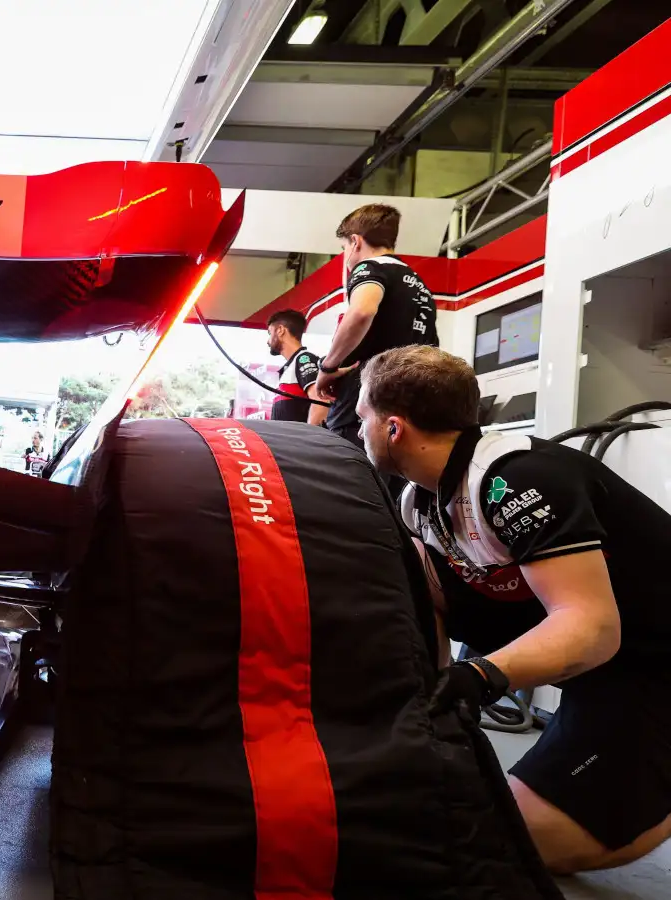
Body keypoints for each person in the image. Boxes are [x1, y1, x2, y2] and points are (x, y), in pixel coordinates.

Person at [356, 345, 671, 874]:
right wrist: (433, 699)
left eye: (362, 417)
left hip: (653, 665)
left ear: (393, 429)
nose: (358, 429)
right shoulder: (421, 501)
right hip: (601, 674)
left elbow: (591, 626)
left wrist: (480, 675)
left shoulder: (517, 480)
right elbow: (432, 603)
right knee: (411, 564)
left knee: (516, 840)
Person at [311, 204, 438, 446]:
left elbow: (362, 310)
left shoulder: (369, 268)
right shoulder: (417, 284)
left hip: (363, 411)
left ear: (356, 242)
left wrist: (327, 367)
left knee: (353, 480)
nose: (345, 254)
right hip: (406, 411)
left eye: (344, 247)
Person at [264, 309, 326, 425]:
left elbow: (321, 401)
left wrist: (309, 439)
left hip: (300, 442)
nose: (267, 341)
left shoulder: (304, 359)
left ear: (280, 330)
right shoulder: (290, 367)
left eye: (269, 333)